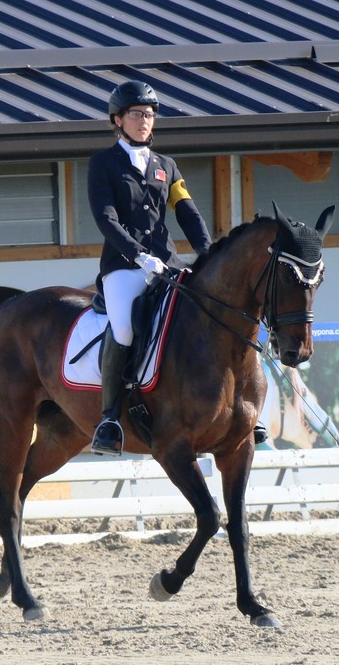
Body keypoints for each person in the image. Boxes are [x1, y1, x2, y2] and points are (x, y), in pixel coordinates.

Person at [87, 80, 212, 456]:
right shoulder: (103, 164)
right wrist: (138, 255)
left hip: (168, 264)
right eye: (137, 114)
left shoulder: (166, 167)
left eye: (150, 114)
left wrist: (208, 251)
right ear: (118, 120)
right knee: (124, 327)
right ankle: (109, 418)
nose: (145, 120)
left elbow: (187, 213)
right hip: (124, 266)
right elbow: (106, 219)